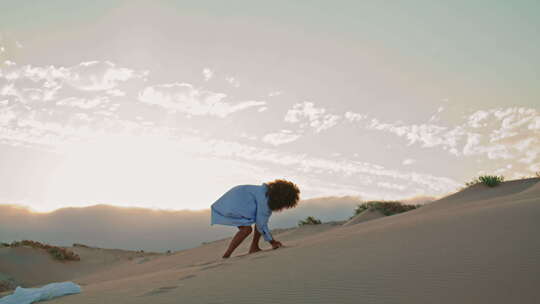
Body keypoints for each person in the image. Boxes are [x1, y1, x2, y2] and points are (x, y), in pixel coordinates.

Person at [210, 179, 300, 258]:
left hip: (232, 199)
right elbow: (261, 224)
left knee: (255, 224)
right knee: (247, 229)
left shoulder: (264, 191)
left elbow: (260, 223)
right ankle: (227, 255)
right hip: (234, 204)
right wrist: (272, 242)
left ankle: (253, 247)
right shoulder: (265, 201)